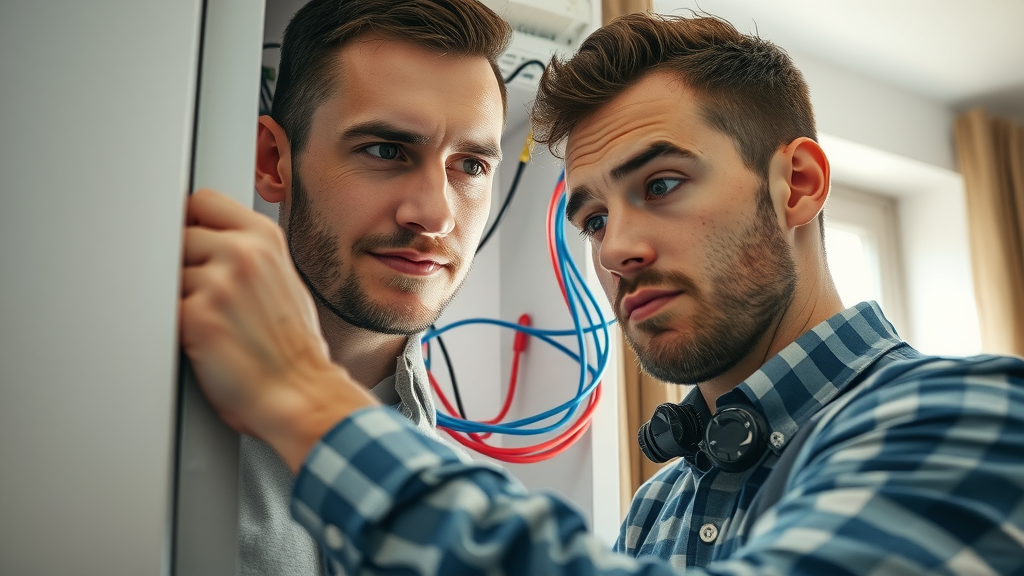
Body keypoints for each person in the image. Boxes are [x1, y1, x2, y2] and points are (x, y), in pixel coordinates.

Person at [180, 11, 1024, 576]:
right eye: (590, 216)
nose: (614, 247)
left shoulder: (978, 411)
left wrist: (299, 396)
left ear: (797, 184)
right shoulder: (661, 508)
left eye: (660, 185)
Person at [223, 1, 510, 574]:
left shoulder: (486, 516)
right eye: (385, 150)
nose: (435, 214)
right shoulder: (138, 435)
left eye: (471, 165)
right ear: (274, 161)